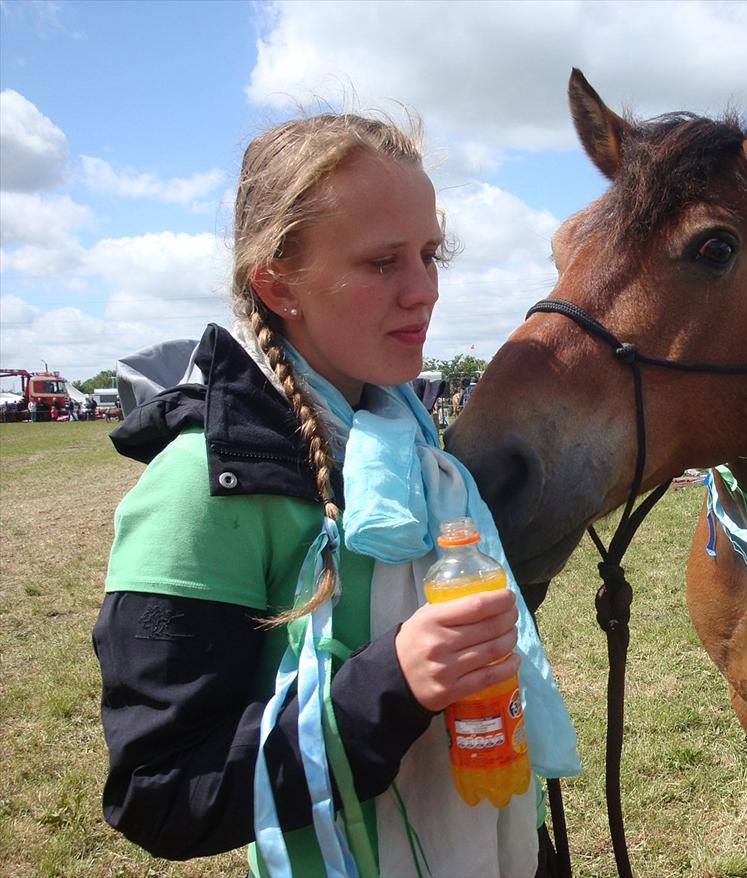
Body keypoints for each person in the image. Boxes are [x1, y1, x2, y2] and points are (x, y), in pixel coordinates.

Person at [94, 113, 577, 877]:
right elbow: (161, 789)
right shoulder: (199, 490)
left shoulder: (419, 456)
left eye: (429, 254)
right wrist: (393, 684)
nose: (424, 292)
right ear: (277, 285)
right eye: (384, 261)